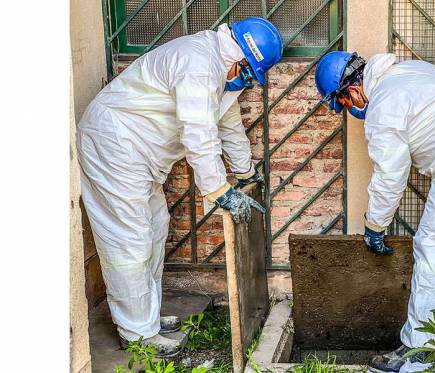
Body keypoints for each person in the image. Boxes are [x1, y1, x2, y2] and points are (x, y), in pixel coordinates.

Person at [77, 17, 283, 357]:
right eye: (248, 74)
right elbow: (199, 135)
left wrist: (247, 176)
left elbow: (229, 128)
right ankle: (137, 334)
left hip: (136, 154)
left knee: (155, 228)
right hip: (113, 144)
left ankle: (146, 321)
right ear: (239, 59)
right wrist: (221, 192)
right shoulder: (198, 64)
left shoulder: (219, 72)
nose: (247, 82)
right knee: (130, 239)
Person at [315, 51, 435, 372]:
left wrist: (375, 225)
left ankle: (421, 352)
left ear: (353, 91)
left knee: (433, 245)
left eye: (345, 104)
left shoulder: (383, 107)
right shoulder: (408, 71)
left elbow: (390, 175)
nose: (351, 110)